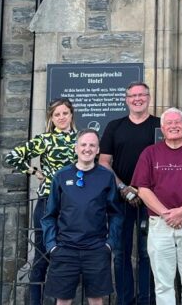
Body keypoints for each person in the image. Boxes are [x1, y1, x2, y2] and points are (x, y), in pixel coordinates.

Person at [134, 109, 182, 305]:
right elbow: (142, 190)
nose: (173, 126)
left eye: (177, 122)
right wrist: (167, 214)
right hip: (160, 224)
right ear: (162, 129)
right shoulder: (150, 153)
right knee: (163, 283)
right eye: (168, 123)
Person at [5, 99, 79, 305]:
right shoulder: (45, 140)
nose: (62, 117)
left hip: (75, 204)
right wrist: (34, 171)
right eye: (57, 114)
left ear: (71, 115)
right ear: (51, 118)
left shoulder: (81, 140)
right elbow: (12, 157)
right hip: (49, 202)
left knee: (68, 257)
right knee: (42, 256)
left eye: (65, 113)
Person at [40, 129, 122, 305]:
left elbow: (115, 214)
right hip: (65, 248)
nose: (87, 148)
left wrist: (109, 244)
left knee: (96, 299)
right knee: (63, 300)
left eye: (92, 145)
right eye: (83, 144)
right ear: (76, 148)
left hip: (96, 249)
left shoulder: (106, 177)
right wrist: (52, 245)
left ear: (98, 149)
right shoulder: (61, 176)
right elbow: (49, 215)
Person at [101, 82, 162, 305]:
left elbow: (166, 159)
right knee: (120, 253)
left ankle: (148, 300)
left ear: (149, 97)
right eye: (133, 96)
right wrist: (123, 188)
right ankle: (125, 300)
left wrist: (144, 192)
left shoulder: (159, 126)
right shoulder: (114, 126)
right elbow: (104, 162)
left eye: (142, 95)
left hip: (152, 201)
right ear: (126, 100)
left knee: (149, 254)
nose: (137, 99)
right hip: (120, 201)